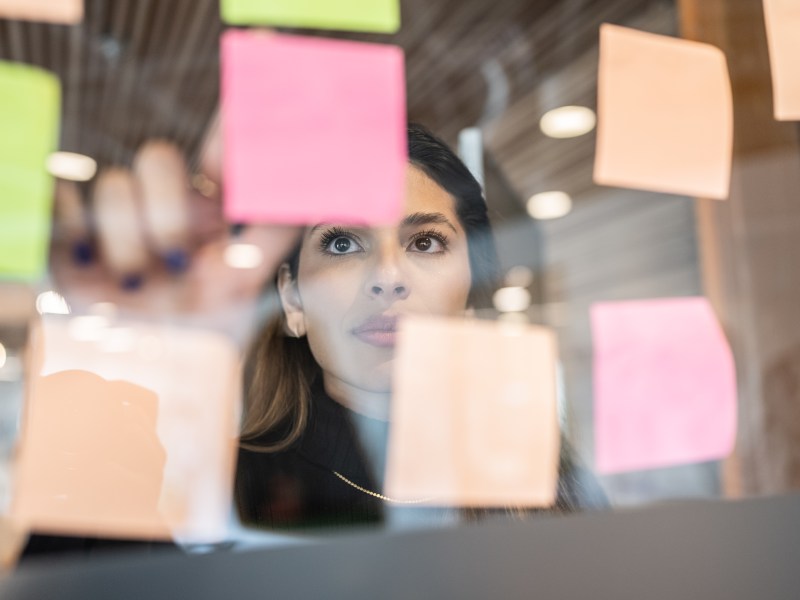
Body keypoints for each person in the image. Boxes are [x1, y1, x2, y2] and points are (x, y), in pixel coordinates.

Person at [235, 123, 606, 531]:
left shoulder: (546, 478)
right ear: (291, 299)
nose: (388, 276)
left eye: (425, 243)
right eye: (342, 243)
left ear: (472, 284)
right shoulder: (224, 489)